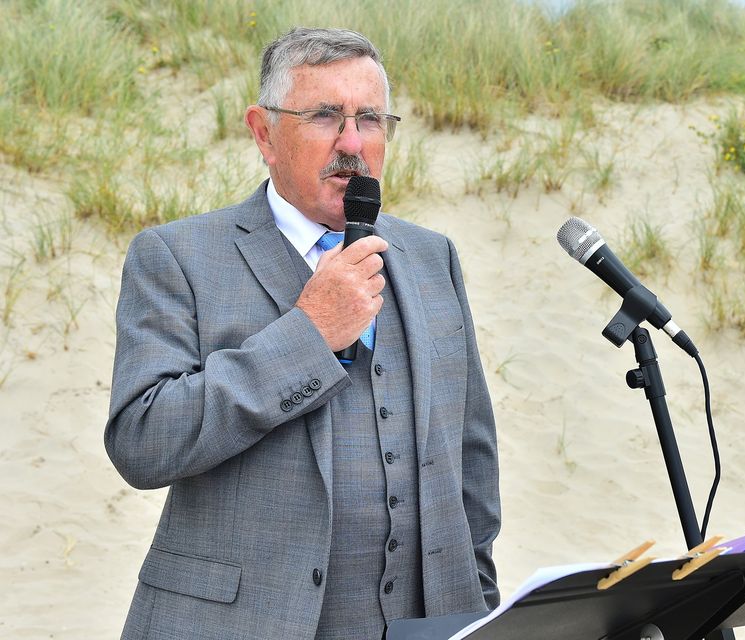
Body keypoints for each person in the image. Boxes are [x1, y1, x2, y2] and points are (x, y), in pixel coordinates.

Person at [104, 27, 500, 640]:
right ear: (263, 133)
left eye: (370, 119)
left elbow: (471, 460)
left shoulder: (431, 258)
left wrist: (478, 606)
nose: (352, 143)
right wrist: (309, 335)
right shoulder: (176, 255)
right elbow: (142, 441)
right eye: (324, 117)